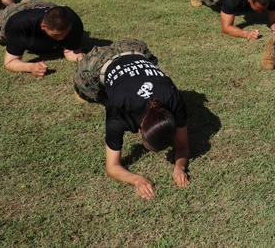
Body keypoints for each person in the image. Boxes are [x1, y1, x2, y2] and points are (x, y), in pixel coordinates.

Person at [73, 39, 189, 199]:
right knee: (84, 92)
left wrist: (180, 167)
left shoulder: (173, 99)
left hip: (135, 50)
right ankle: (84, 87)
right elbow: (112, 167)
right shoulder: (119, 110)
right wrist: (136, 180)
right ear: (140, 131)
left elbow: (182, 147)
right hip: (101, 63)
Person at [0, 1, 84, 76]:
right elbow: (10, 62)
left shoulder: (72, 23)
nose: (62, 37)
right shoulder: (20, 26)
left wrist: (80, 57)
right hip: (14, 16)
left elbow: (70, 51)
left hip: (44, 7)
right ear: (43, 26)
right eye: (57, 35)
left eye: (65, 33)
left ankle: (26, 3)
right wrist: (30, 67)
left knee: (33, 6)